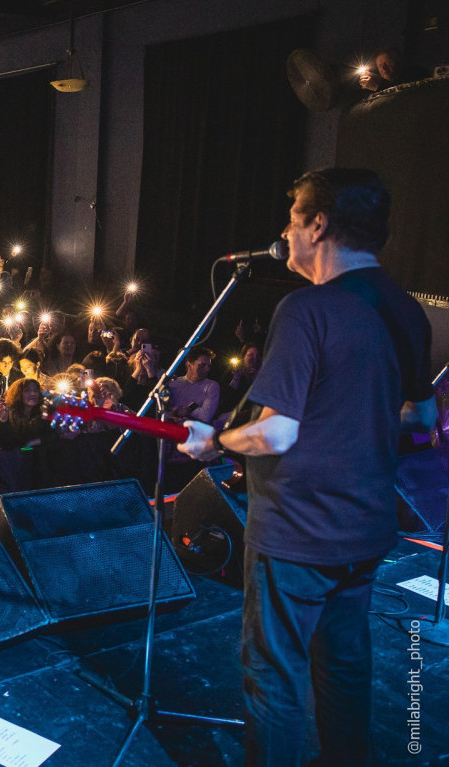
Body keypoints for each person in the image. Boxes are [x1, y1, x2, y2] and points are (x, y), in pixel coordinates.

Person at [180, 168, 435, 767]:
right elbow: (421, 417)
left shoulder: (307, 308)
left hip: (296, 533)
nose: (286, 231)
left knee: (275, 676)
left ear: (318, 224)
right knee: (344, 668)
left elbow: (276, 431)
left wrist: (217, 441)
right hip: (365, 528)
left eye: (293, 218)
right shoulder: (407, 309)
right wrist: (348, 420)